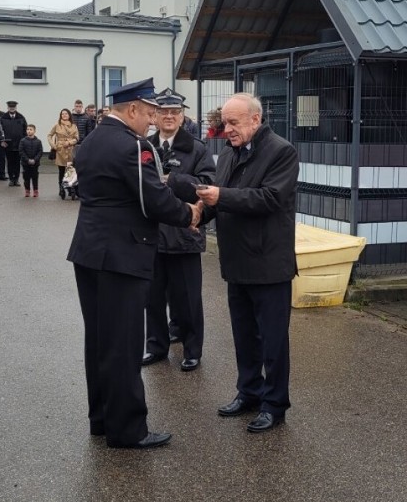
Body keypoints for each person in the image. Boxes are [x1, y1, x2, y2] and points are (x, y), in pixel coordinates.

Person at [67, 77, 202, 449]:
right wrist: (188, 213)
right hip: (122, 255)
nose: (153, 120)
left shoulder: (93, 139)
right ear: (132, 110)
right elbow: (152, 200)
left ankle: (102, 419)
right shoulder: (133, 145)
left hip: (89, 252)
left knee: (98, 340)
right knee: (123, 344)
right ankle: (127, 430)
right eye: (150, 113)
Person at [197, 93, 299, 434]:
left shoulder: (281, 152)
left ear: (255, 120)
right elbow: (219, 198)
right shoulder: (228, 153)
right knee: (244, 335)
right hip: (237, 262)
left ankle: (275, 404)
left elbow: (269, 198)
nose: (227, 129)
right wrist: (196, 215)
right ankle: (249, 392)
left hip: (269, 263)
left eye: (234, 123)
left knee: (272, 340)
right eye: (225, 123)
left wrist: (220, 197)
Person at [142, 89, 215, 372]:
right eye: (163, 112)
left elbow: (208, 184)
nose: (169, 117)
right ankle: (156, 346)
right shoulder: (144, 145)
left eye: (174, 112)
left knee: (188, 299)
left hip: (184, 234)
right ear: (156, 116)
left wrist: (174, 179)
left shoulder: (196, 148)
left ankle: (192, 350)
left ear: (182, 116)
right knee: (153, 297)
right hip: (151, 235)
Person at [48, 108, 79, 199]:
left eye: (66, 114)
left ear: (69, 115)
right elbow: (49, 135)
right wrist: (53, 145)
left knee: (70, 170)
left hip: (70, 150)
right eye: (62, 114)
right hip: (60, 150)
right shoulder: (57, 125)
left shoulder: (74, 126)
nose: (64, 115)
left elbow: (77, 138)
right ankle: (61, 188)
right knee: (61, 171)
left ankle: (71, 188)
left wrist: (70, 142)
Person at [1, 100, 28, 186]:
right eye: (10, 107)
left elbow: (25, 130)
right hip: (8, 144)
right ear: (8, 108)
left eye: (13, 107)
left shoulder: (21, 117)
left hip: (19, 144)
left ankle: (16, 179)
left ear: (16, 108)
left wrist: (24, 141)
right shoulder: (3, 117)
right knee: (9, 162)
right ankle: (11, 179)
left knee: (17, 162)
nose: (12, 109)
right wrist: (2, 140)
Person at [19, 123, 43, 197]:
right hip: (26, 163)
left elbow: (40, 152)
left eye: (30, 129)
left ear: (34, 131)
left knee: (35, 177)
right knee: (26, 177)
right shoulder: (23, 141)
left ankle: (35, 190)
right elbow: (21, 151)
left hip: (35, 163)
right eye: (28, 129)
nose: (29, 131)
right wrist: (27, 160)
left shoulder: (38, 141)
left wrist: (35, 160)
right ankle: (27, 190)